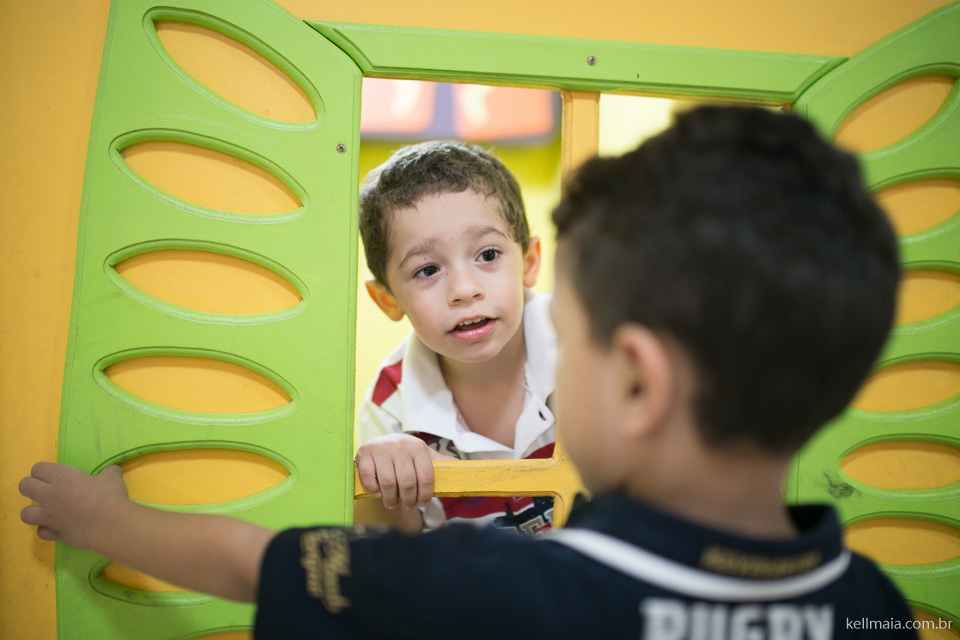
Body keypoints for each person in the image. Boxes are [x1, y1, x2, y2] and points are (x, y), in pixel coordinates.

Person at [21, 105, 917, 639]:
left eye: (571, 324)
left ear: (637, 378)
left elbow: (251, 562)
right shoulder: (872, 603)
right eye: (425, 271)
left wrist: (100, 518)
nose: (475, 294)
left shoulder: (512, 581)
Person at [354, 140, 558, 532]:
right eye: (428, 270)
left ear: (529, 263)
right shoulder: (390, 407)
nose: (465, 289)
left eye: (488, 255)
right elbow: (392, 553)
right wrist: (387, 479)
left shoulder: (584, 343)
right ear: (388, 299)